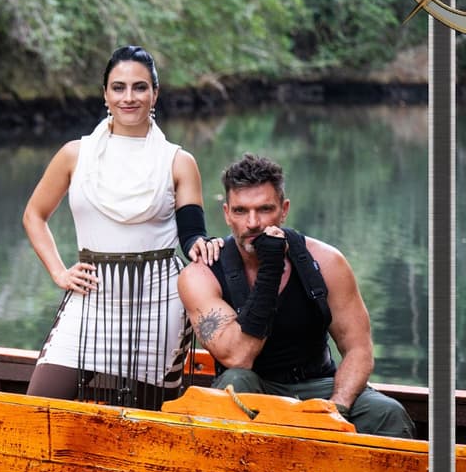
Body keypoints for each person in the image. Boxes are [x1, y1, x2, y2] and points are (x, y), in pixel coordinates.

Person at [22, 45, 222, 408]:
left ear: (155, 94)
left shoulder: (178, 161)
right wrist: (59, 272)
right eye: (119, 87)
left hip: (158, 304)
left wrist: (201, 245)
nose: (129, 97)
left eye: (139, 87)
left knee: (144, 428)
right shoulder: (74, 154)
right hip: (92, 299)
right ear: (105, 94)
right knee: (38, 408)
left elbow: (192, 231)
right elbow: (34, 215)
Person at [176, 153, 415, 438]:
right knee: (236, 382)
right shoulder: (201, 275)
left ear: (284, 209)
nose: (252, 223)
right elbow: (239, 357)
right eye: (241, 211)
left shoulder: (326, 262)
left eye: (265, 209)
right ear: (227, 213)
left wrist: (336, 409)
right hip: (254, 390)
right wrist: (271, 268)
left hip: (319, 386)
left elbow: (359, 350)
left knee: (389, 414)